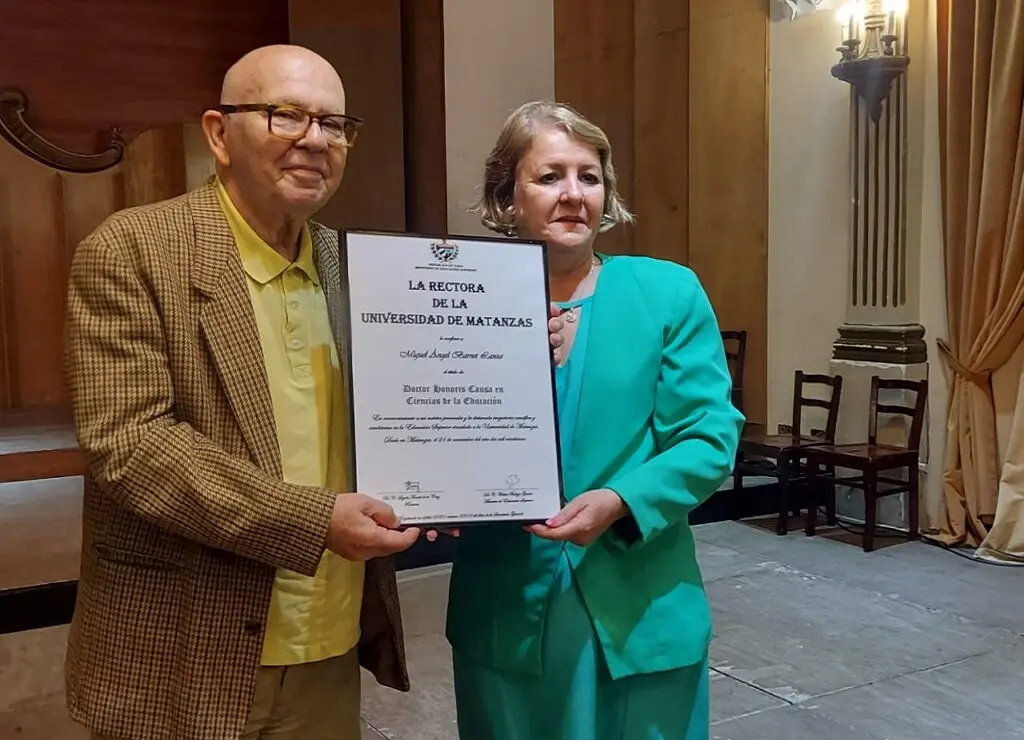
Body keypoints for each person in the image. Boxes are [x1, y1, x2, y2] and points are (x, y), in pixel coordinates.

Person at [63, 45, 564, 740]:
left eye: (334, 125)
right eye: (285, 115)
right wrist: (314, 521)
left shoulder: (356, 265)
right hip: (186, 641)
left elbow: (418, 389)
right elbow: (132, 445)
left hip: (328, 631)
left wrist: (504, 359)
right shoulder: (132, 250)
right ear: (218, 132)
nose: (314, 140)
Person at [444, 101, 745, 740]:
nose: (573, 195)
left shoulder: (668, 292)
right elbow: (435, 426)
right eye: (549, 176)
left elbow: (710, 436)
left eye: (589, 176)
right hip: (508, 602)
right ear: (507, 196)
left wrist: (620, 498)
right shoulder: (458, 298)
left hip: (638, 597)